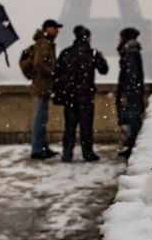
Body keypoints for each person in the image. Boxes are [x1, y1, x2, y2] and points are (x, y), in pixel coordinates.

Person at [54, 25, 109, 162]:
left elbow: (57, 74)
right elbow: (104, 70)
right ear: (88, 38)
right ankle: (87, 153)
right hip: (86, 95)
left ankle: (67, 154)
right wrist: (101, 58)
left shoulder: (66, 53)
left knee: (69, 127)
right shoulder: (92, 53)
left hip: (70, 96)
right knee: (86, 127)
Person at [29, 19, 62, 160]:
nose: (57, 31)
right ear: (48, 29)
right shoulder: (44, 44)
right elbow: (39, 63)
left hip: (42, 85)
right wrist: (52, 73)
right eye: (55, 28)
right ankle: (37, 149)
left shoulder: (44, 42)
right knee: (40, 118)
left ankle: (42, 147)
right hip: (42, 85)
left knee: (42, 118)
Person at [116, 27, 145, 159]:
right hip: (134, 92)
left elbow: (131, 76)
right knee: (133, 120)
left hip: (131, 94)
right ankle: (131, 147)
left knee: (132, 120)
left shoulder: (130, 53)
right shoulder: (132, 52)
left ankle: (131, 148)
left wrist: (126, 94)